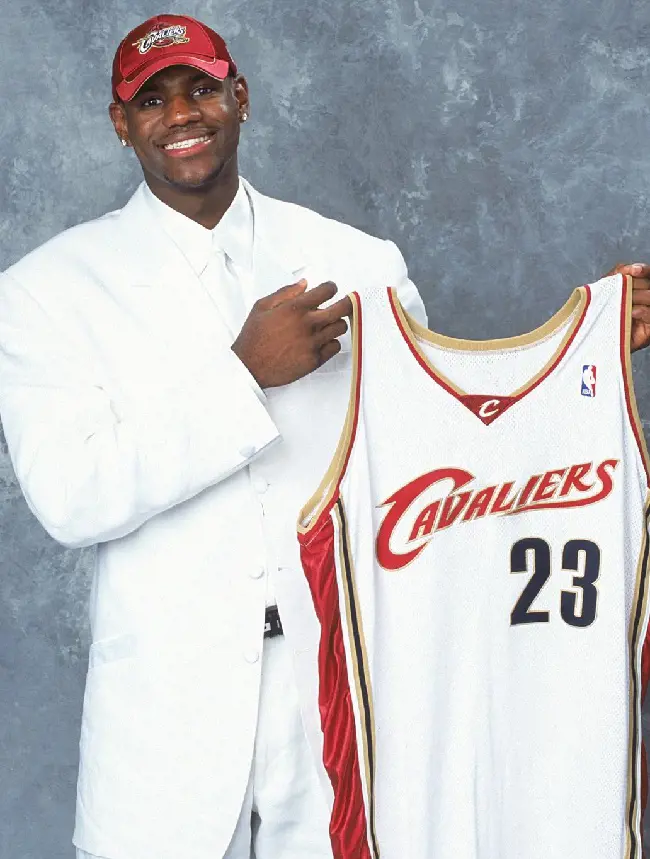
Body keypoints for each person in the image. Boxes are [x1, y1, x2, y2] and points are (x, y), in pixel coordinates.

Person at [0, 12, 649, 859]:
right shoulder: (47, 291)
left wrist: (579, 347)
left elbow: (443, 459)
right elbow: (72, 495)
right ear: (121, 125)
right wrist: (244, 374)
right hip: (164, 727)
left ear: (242, 98)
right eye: (151, 100)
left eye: (201, 87)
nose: (182, 113)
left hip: (340, 704)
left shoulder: (359, 261)